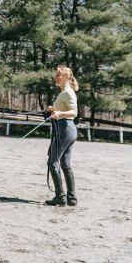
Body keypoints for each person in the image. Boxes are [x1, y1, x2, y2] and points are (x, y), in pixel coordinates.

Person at [45, 65, 79, 206]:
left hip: (65, 129)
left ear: (66, 77)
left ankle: (60, 196)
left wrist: (59, 113)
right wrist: (54, 109)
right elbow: (65, 109)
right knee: (65, 164)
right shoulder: (64, 93)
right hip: (67, 129)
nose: (56, 77)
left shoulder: (68, 92)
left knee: (52, 162)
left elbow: (74, 112)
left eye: (58, 75)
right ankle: (71, 198)